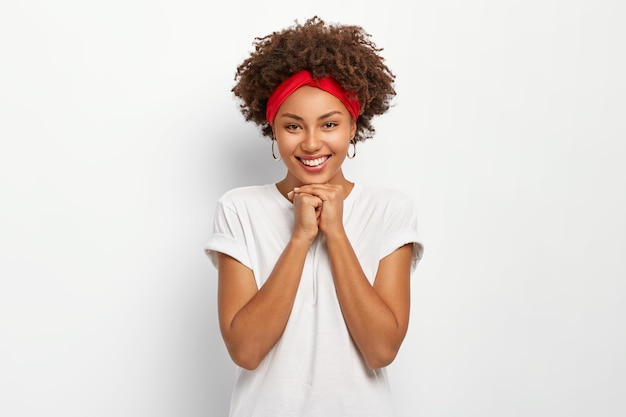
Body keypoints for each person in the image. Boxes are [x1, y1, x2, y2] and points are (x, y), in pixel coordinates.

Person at [205, 16, 424, 417]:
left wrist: (335, 234)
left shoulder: (391, 209)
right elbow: (246, 351)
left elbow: (381, 350)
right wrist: (300, 238)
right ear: (272, 128)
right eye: (293, 126)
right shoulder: (239, 209)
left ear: (353, 127)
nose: (311, 143)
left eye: (329, 124)